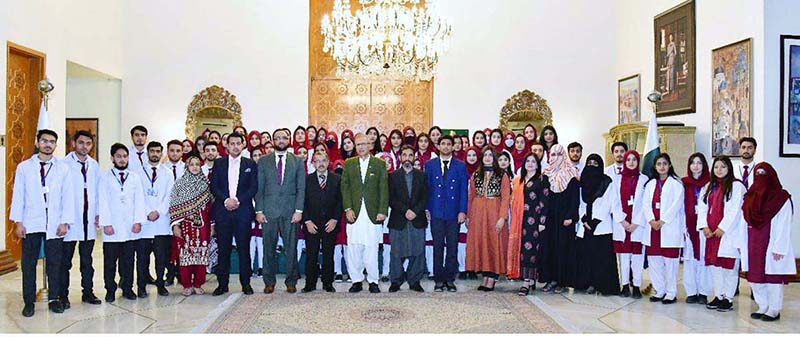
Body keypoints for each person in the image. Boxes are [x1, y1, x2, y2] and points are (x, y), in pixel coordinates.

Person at [10, 129, 74, 316]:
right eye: (44, 141)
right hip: (31, 222)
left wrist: (65, 222)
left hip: (54, 224)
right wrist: (18, 222)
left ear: (56, 145)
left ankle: (54, 298)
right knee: (28, 264)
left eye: (52, 141)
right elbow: (19, 196)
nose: (48, 144)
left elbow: (67, 197)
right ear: (37, 143)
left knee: (55, 263)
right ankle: (29, 301)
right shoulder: (24, 167)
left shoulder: (63, 168)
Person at [255, 129, 306, 294]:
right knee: (268, 248)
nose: (281, 140)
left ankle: (291, 281)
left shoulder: (297, 161)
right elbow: (259, 188)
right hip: (268, 211)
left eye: (284, 138)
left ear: (289, 140)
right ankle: (269, 281)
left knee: (291, 248)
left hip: (290, 211)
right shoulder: (263, 161)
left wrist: (299, 210)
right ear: (273, 140)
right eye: (278, 138)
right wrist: (259, 210)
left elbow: (301, 188)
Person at [743, 162, 795, 322]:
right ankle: (762, 305)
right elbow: (742, 221)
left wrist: (779, 247)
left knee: (772, 277)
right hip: (753, 242)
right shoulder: (749, 197)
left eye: (763, 174)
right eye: (757, 174)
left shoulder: (781, 198)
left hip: (772, 244)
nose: (761, 178)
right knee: (755, 276)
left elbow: (784, 223)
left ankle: (774, 309)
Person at [209, 132, 257, 296]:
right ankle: (222, 284)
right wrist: (226, 201)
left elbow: (253, 188)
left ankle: (246, 284)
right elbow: (214, 187)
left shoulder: (250, 163)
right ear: (226, 146)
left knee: (244, 249)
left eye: (238, 143)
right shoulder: (219, 163)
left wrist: (236, 200)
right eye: (232, 143)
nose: (236, 146)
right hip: (223, 212)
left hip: (243, 211)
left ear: (243, 145)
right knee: (224, 250)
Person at [696, 156, 746, 312]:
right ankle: (718, 295)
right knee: (714, 267)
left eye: (723, 167)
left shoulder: (737, 186)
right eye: (716, 167)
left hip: (728, 234)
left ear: (729, 168)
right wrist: (704, 226)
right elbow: (702, 208)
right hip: (711, 234)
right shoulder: (709, 186)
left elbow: (735, 210)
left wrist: (722, 228)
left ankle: (728, 298)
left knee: (729, 267)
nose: (719, 170)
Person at [341, 133, 389, 293]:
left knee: (371, 247)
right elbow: (345, 187)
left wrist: (383, 211)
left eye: (365, 144)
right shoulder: (349, 163)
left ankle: (373, 280)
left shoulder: (379, 164)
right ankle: (356, 280)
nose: (361, 147)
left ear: (371, 145)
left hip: (372, 213)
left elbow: (384, 188)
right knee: (354, 247)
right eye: (358, 144)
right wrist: (347, 208)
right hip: (354, 212)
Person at [60, 130, 103, 308]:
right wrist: (62, 219)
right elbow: (60, 194)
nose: (84, 146)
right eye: (81, 143)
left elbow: (99, 192)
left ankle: (88, 292)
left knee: (87, 261)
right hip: (70, 219)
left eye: (88, 143)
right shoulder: (63, 165)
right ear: (73, 144)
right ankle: (63, 295)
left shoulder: (94, 165)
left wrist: (99, 213)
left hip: (88, 220)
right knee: (65, 262)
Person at [99, 143, 145, 303]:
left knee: (128, 261)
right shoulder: (105, 178)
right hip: (112, 227)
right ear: (112, 158)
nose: (122, 159)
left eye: (125, 156)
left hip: (130, 227)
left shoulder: (134, 178)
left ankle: (127, 288)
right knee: (110, 262)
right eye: (118, 156)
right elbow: (102, 202)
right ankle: (110, 289)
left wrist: (138, 221)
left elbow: (139, 200)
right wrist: (106, 223)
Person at [574, 154, 623, 296]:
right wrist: (584, 219)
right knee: (586, 257)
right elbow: (580, 202)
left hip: (601, 226)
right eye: (590, 163)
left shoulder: (607, 182)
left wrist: (594, 221)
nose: (592, 166)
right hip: (585, 226)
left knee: (602, 259)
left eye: (595, 163)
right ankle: (587, 283)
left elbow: (609, 203)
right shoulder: (583, 181)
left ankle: (602, 285)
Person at [425, 135, 468, 292]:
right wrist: (426, 208)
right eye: (442, 144)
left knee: (452, 247)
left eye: (448, 144)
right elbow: (427, 189)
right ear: (438, 146)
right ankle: (438, 279)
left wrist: (463, 211)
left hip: (453, 213)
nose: (445, 146)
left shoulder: (460, 166)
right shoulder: (430, 165)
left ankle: (450, 279)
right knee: (437, 246)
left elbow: (463, 190)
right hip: (436, 212)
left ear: (453, 147)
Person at [466, 147, 512, 291]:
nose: (487, 158)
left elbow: (506, 198)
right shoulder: (476, 175)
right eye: (485, 155)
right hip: (478, 213)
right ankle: (485, 276)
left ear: (494, 158)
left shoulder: (502, 175)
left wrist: (502, 218)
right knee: (482, 243)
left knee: (493, 243)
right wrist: (468, 216)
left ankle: (492, 277)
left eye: (490, 155)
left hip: (494, 212)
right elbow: (471, 196)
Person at [642, 153, 685, 304]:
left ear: (670, 165)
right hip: (653, 228)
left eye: (665, 164)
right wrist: (651, 220)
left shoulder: (676, 184)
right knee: (655, 262)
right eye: (659, 164)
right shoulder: (650, 184)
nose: (662, 166)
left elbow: (676, 205)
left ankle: (671, 293)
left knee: (671, 264)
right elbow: (645, 204)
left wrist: (662, 220)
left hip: (668, 227)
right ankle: (659, 290)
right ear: (654, 167)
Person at [169, 155, 214, 296]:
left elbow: (212, 207)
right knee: (185, 255)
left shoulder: (206, 184)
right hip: (185, 227)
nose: (195, 167)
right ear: (187, 166)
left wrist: (212, 225)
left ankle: (198, 283)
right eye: (191, 164)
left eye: (197, 164)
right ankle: (187, 284)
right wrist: (175, 226)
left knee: (201, 254)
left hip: (203, 226)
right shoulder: (180, 184)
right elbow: (174, 205)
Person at [136, 141, 175, 298]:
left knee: (161, 256)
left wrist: (158, 211)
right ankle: (141, 286)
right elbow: (137, 195)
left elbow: (170, 195)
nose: (155, 154)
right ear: (147, 153)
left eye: (158, 151)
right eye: (152, 151)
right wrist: (147, 212)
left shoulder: (167, 173)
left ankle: (160, 283)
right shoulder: (137, 173)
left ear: (161, 153)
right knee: (142, 257)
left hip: (161, 221)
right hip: (144, 221)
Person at [506, 153, 549, 296]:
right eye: (528, 161)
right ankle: (529, 279)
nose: (530, 163)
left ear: (537, 164)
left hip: (534, 219)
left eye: (533, 161)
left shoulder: (542, 179)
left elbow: (545, 201)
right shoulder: (518, 181)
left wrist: (542, 221)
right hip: (519, 219)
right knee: (521, 249)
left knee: (530, 251)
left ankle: (526, 282)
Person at [387, 145, 429, 292]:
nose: (407, 158)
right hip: (399, 219)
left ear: (414, 157)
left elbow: (425, 197)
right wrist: (406, 211)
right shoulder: (392, 176)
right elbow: (391, 198)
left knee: (418, 250)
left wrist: (415, 211)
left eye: (410, 155)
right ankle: (396, 281)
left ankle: (414, 281)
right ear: (400, 157)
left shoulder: (422, 176)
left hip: (417, 218)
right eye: (404, 155)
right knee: (396, 252)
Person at [539, 144, 580, 294]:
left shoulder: (571, 174)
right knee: (550, 249)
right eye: (553, 155)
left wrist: (571, 216)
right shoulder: (546, 174)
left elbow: (575, 199)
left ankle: (562, 281)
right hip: (549, 219)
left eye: (559, 155)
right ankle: (551, 280)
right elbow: (543, 198)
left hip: (564, 220)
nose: (556, 158)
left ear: (564, 156)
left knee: (563, 249)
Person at [301, 151, 342, 293]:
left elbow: (340, 202)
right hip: (311, 223)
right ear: (313, 163)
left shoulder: (337, 179)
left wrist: (335, 220)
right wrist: (306, 221)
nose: (321, 164)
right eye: (317, 161)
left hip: (330, 224)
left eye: (324, 160)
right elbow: (303, 202)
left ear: (328, 162)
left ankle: (328, 283)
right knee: (311, 254)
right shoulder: (307, 180)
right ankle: (310, 283)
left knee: (328, 254)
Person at [615, 150, 648, 299]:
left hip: (637, 225)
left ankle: (636, 286)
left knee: (637, 257)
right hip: (622, 224)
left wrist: (635, 222)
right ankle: (625, 285)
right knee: (624, 257)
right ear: (625, 162)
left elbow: (645, 204)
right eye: (628, 160)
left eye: (634, 160)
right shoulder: (617, 179)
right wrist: (623, 220)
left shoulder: (644, 179)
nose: (631, 162)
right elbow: (613, 202)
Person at [681, 153, 712, 304]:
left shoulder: (711, 183)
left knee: (704, 259)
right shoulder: (684, 183)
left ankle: (704, 292)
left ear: (704, 165)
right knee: (690, 259)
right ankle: (692, 292)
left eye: (699, 163)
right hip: (689, 225)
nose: (696, 166)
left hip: (705, 227)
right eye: (693, 163)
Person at [249, 147, 265, 277]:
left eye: (260, 154)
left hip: (263, 208)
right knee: (250, 239)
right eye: (255, 155)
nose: (257, 157)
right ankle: (249, 266)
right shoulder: (248, 171)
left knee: (261, 238)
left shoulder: (266, 170)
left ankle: (261, 266)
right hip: (249, 207)